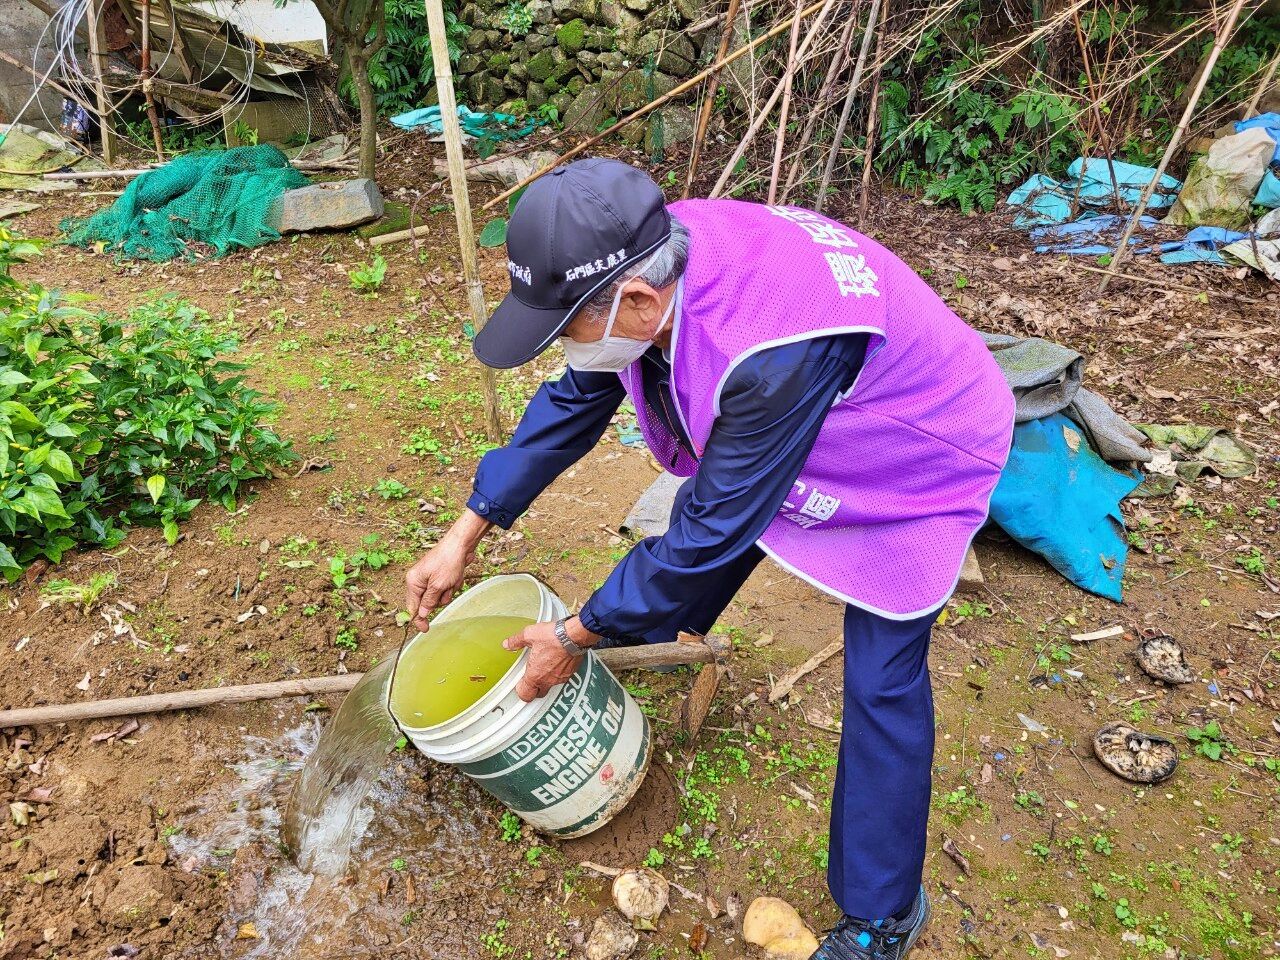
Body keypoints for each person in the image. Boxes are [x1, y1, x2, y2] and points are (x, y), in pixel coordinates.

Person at [405, 158, 1015, 960]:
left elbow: (711, 529)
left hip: (919, 442)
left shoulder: (768, 352)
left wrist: (578, 630)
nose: (561, 349)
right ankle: (667, 634)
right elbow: (575, 398)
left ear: (637, 302)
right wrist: (465, 531)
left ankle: (882, 912)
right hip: (809, 413)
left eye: (563, 330)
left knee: (883, 672)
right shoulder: (650, 250)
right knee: (721, 515)